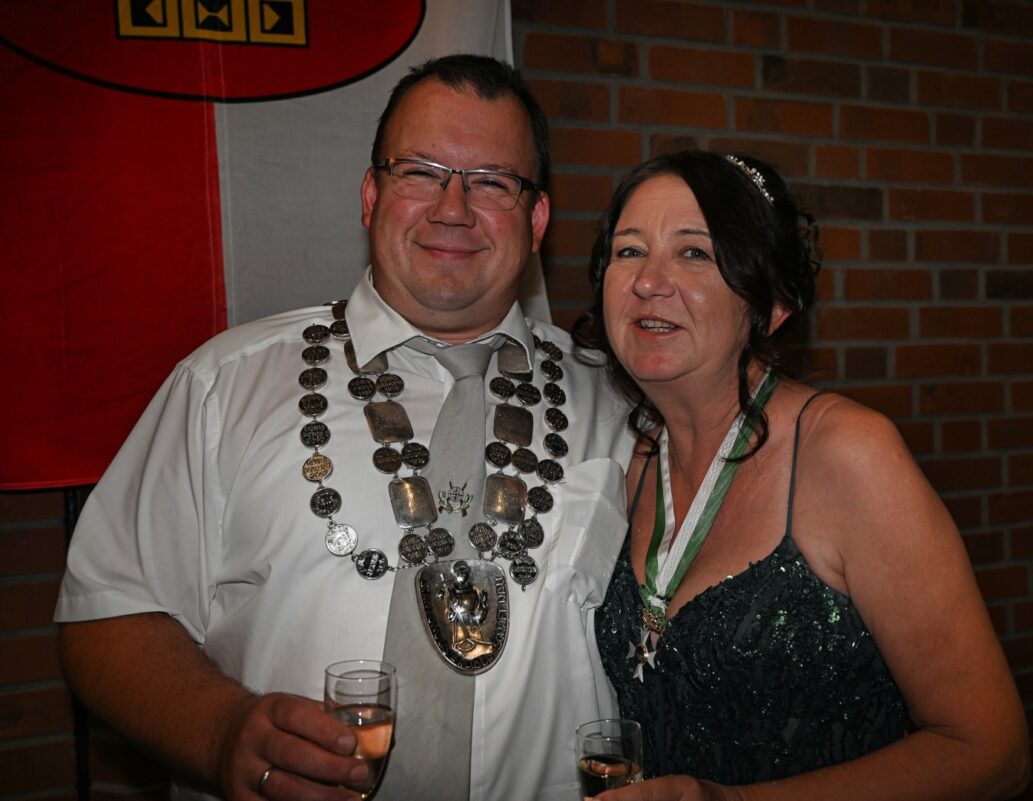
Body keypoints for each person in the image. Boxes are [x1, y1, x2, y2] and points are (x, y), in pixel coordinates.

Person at [54, 55, 634, 801]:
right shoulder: (226, 385)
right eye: (420, 172)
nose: (452, 208)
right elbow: (108, 614)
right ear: (370, 195)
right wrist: (221, 731)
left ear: (537, 219)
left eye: (493, 182)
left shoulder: (620, 401)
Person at [572, 151, 1029, 800]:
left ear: (774, 302)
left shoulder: (847, 454)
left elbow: (991, 751)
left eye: (695, 253)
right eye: (629, 251)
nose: (649, 281)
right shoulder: (636, 460)